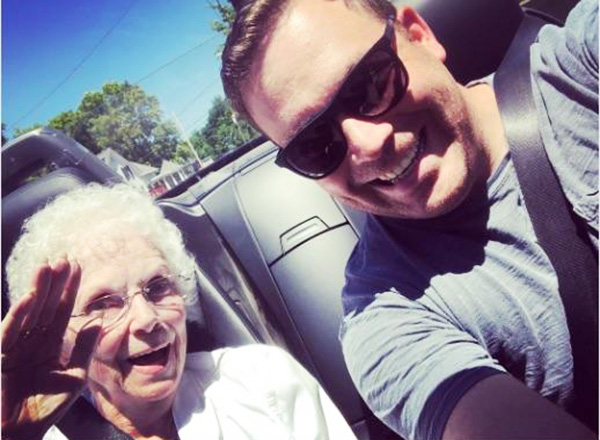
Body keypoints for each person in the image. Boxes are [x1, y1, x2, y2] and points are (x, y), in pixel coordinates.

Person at [220, 0, 598, 439]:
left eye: (370, 84)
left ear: (419, 35)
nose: (369, 143)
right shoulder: (385, 319)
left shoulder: (580, 70)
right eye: (315, 143)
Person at [1, 183, 357, 440]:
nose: (147, 319)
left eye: (157, 288)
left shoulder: (260, 380)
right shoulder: (32, 433)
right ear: (58, 337)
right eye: (103, 304)